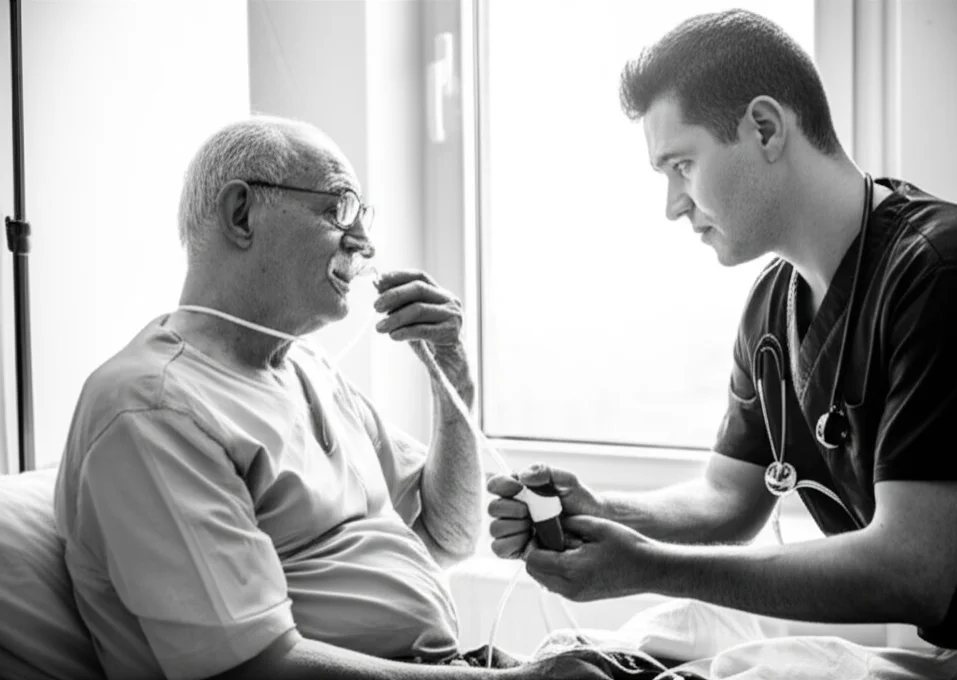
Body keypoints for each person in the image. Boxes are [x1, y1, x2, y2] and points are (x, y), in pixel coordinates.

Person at [487, 9, 957, 678]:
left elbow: (912, 570)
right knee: (617, 653)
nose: (673, 205)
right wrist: (601, 512)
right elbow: (727, 501)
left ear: (764, 128)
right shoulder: (774, 306)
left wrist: (649, 567)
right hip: (954, 654)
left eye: (683, 165)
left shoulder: (946, 275)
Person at [52, 116, 622, 680]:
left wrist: (453, 378)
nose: (364, 243)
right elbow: (254, 669)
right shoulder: (153, 407)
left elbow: (446, 534)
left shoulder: (308, 370)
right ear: (241, 214)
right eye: (338, 209)